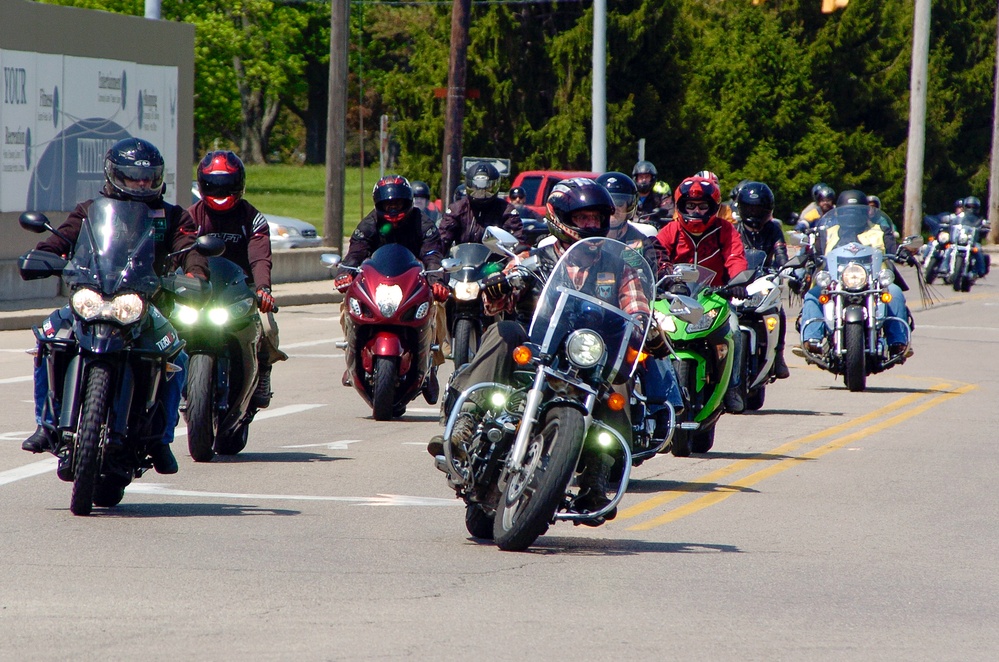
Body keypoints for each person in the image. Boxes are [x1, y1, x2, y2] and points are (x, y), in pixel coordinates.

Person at [431, 178, 665, 518]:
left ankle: (597, 475)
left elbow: (637, 308)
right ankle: (466, 423)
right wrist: (499, 287)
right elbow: (497, 301)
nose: (591, 225)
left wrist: (648, 328)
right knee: (504, 331)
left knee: (620, 379)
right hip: (536, 352)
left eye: (597, 219)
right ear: (560, 218)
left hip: (587, 359)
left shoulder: (620, 267)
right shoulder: (535, 258)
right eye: (583, 218)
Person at [21, 137, 208, 475]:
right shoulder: (90, 210)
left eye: (149, 177)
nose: (142, 183)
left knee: (176, 354)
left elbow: (189, 247)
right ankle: (46, 424)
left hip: (142, 304)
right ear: (114, 174)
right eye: (134, 176)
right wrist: (43, 256)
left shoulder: (172, 215)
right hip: (92, 297)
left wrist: (195, 274)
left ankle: (160, 440)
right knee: (48, 336)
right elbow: (59, 240)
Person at [333, 175, 448, 401]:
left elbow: (433, 255)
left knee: (439, 305)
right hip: (378, 284)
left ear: (408, 202)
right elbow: (355, 254)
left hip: (413, 283)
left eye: (397, 203)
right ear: (379, 204)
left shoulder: (423, 225)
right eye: (387, 204)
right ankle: (352, 351)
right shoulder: (369, 225)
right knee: (346, 304)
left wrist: (437, 282)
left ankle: (432, 363)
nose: (392, 209)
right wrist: (344, 274)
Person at [189, 150, 288, 409]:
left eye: (226, 186)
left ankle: (263, 370)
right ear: (202, 185)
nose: (220, 193)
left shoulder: (252, 219)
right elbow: (179, 250)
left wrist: (264, 289)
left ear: (239, 185)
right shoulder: (190, 218)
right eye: (213, 185)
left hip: (243, 287)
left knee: (267, 328)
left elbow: (259, 257)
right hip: (201, 287)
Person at [596, 171, 685, 432]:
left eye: (619, 206)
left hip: (629, 311)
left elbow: (657, 265)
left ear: (630, 208)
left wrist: (669, 278)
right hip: (587, 310)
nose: (613, 213)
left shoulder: (640, 240)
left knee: (653, 339)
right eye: (608, 206)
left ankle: (664, 407)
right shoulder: (585, 236)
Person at [655, 175, 750, 412]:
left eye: (702, 206)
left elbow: (735, 258)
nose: (696, 211)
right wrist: (658, 275)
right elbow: (655, 255)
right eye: (690, 206)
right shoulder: (670, 231)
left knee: (736, 332)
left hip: (714, 297)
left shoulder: (725, 230)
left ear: (713, 208)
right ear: (680, 207)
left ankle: (733, 387)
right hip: (674, 298)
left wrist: (738, 281)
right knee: (651, 332)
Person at [799, 190, 914, 358]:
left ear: (867, 211)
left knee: (895, 292)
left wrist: (902, 251)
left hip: (875, 283)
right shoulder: (827, 231)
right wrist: (809, 256)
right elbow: (817, 250)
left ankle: (898, 343)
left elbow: (892, 247)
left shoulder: (880, 230)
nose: (851, 216)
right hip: (835, 283)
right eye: (847, 212)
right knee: (812, 295)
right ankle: (812, 340)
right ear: (838, 212)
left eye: (856, 211)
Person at [733, 181, 790, 379]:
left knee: (778, 311)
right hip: (739, 281)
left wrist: (788, 269)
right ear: (741, 208)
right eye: (749, 208)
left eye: (759, 209)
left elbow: (781, 252)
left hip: (764, 279)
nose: (754, 213)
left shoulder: (773, 229)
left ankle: (779, 355)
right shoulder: (733, 230)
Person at [438, 162, 524, 253]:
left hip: (496, 263)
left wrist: (513, 259)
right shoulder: (456, 210)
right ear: (468, 186)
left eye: (487, 189)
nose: (482, 193)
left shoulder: (506, 210)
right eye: (477, 189)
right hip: (462, 261)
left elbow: (517, 241)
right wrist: (437, 262)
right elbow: (442, 240)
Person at [632, 160, 670, 228]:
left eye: (647, 177)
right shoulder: (630, 198)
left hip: (654, 234)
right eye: (641, 177)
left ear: (652, 178)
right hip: (631, 233)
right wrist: (639, 221)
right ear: (636, 178)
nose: (644, 180)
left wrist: (656, 220)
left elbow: (669, 213)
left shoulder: (661, 198)